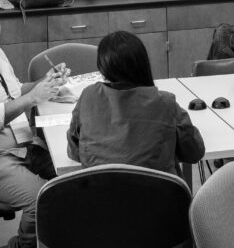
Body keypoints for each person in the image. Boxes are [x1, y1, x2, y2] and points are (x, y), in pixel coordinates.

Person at [67, 31, 204, 176]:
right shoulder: (165, 102)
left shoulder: (88, 96)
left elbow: (74, 152)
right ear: (143, 64)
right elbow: (194, 153)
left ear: (103, 68)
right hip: (159, 195)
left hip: (98, 195)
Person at [0, 35, 69, 248]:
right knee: (41, 200)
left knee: (77, 178)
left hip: (24, 143)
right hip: (2, 156)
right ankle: (21, 245)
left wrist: (43, 82)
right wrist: (32, 98)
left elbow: (14, 92)